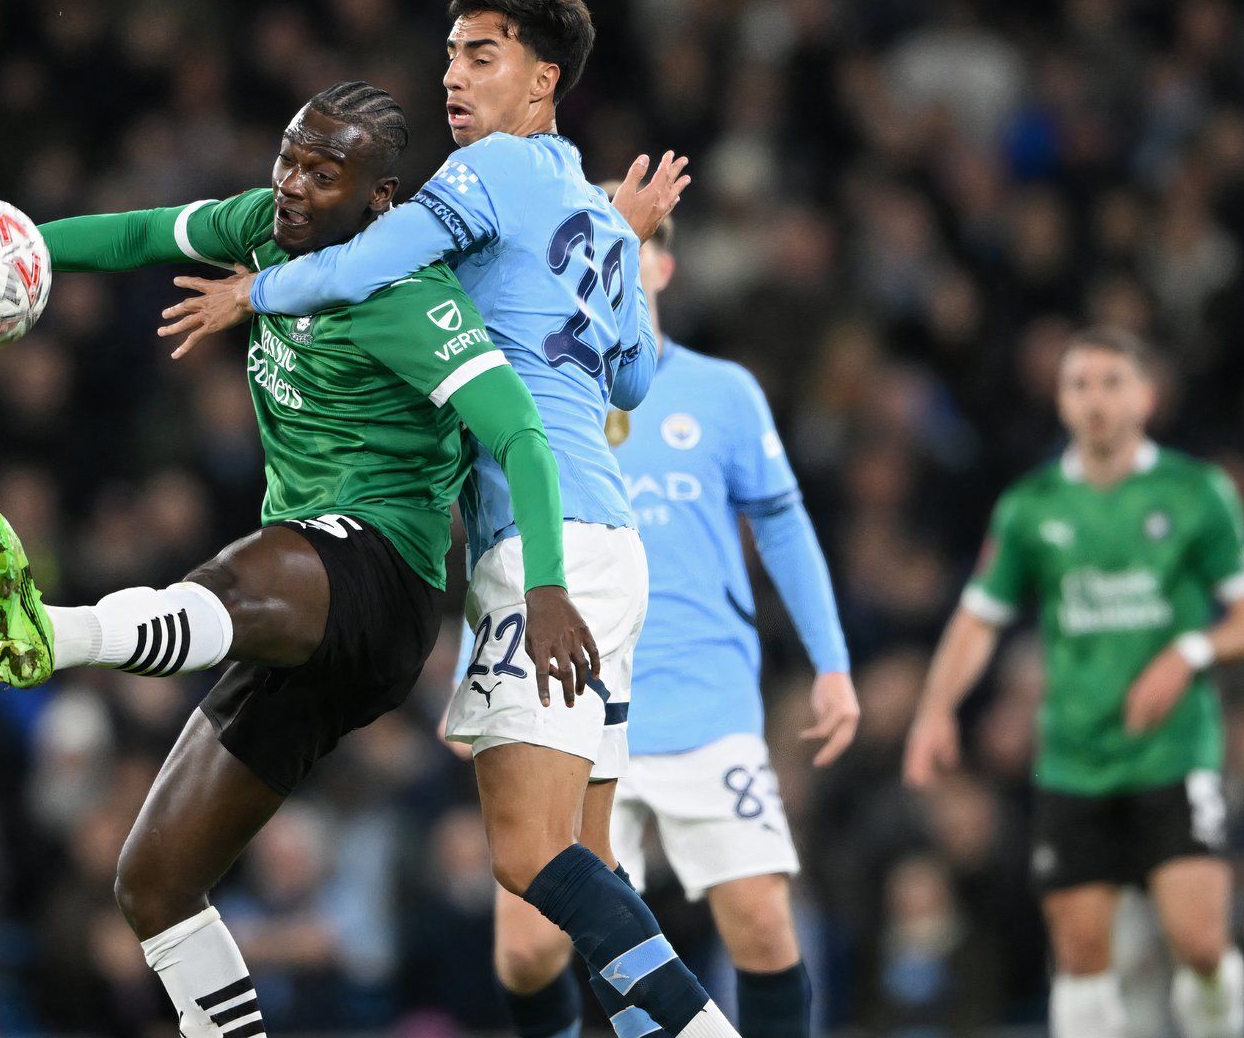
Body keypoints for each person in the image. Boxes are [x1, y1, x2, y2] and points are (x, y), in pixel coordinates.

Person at [0, 81, 588, 1038]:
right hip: (296, 621)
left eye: (323, 172)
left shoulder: (403, 291)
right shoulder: (262, 228)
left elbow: (520, 437)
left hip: (383, 581)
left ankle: (54, 632)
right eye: (288, 159)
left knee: (249, 567)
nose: (294, 188)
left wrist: (548, 585)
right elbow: (140, 236)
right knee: (153, 882)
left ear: (379, 201)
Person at [160, 0, 734, 1038]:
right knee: (586, 871)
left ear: (542, 80)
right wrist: (625, 240)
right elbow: (632, 384)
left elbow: (374, 260)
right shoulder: (584, 209)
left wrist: (255, 293)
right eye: (452, 56)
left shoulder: (494, 170)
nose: (454, 78)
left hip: (544, 543)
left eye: (482, 56)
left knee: (525, 857)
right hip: (614, 546)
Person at [481, 219, 858, 1038]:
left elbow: (784, 525)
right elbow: (500, 542)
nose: (605, 256)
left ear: (661, 263)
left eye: (629, 236)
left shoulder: (723, 392)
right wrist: (479, 684)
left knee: (760, 918)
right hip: (569, 696)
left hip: (704, 700)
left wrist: (831, 663)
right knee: (527, 952)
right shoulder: (532, 394)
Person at [903, 329, 1244, 1038]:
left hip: (1173, 753)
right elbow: (978, 618)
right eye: (1080, 384)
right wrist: (936, 709)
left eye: (1113, 382)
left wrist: (1188, 651)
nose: (1096, 399)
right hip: (1074, 760)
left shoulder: (1195, 493)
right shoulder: (1033, 505)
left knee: (1201, 945)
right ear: (1060, 401)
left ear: (1146, 397)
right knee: (1083, 956)